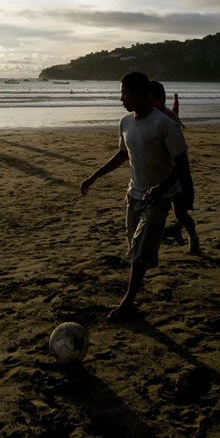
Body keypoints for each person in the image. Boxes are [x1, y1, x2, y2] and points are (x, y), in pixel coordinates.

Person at [81, 72, 188, 320]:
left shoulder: (164, 124)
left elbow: (182, 166)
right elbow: (123, 155)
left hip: (159, 197)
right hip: (134, 195)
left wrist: (161, 188)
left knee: (139, 252)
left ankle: (128, 304)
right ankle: (167, 234)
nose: (121, 99)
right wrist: (94, 176)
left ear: (140, 94)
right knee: (135, 247)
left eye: (125, 93)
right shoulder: (125, 123)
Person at [149, 81, 199, 254]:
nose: (147, 103)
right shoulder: (149, 116)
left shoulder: (167, 118)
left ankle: (192, 237)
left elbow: (179, 152)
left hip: (176, 172)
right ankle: (173, 232)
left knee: (180, 212)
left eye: (150, 99)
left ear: (160, 99)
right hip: (159, 173)